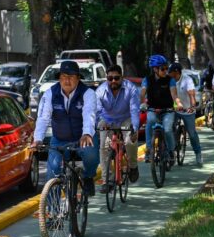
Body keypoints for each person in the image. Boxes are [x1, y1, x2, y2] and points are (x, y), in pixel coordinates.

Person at [32, 61, 99, 196]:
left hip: (83, 138)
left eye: (71, 77)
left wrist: (87, 133)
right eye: (63, 77)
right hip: (60, 139)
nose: (67, 81)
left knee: (91, 156)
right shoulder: (50, 94)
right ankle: (51, 212)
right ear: (59, 78)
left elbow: (89, 115)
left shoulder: (88, 93)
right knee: (53, 171)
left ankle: (88, 177)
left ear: (78, 78)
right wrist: (38, 139)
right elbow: (43, 118)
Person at [95, 64, 140, 193]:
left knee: (129, 140)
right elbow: (97, 110)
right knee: (103, 146)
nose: (113, 81)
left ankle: (133, 166)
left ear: (122, 78)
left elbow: (134, 110)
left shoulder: (131, 89)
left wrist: (135, 128)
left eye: (116, 78)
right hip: (108, 120)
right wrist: (99, 124)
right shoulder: (100, 91)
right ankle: (106, 180)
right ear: (106, 79)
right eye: (110, 78)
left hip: (126, 119)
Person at [141, 54, 176, 163]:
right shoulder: (147, 80)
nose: (166, 71)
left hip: (168, 111)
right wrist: (143, 103)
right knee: (150, 122)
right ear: (155, 69)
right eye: (163, 69)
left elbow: (174, 96)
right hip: (153, 109)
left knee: (167, 129)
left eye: (167, 68)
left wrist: (178, 104)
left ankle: (171, 151)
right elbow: (142, 94)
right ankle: (149, 150)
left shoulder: (171, 80)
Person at [168, 63, 203, 165]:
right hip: (174, 109)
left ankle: (198, 153)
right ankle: (171, 152)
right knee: (169, 128)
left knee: (192, 134)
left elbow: (192, 94)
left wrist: (192, 107)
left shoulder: (187, 80)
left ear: (176, 72)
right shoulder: (169, 81)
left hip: (187, 109)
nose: (169, 73)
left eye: (171, 72)